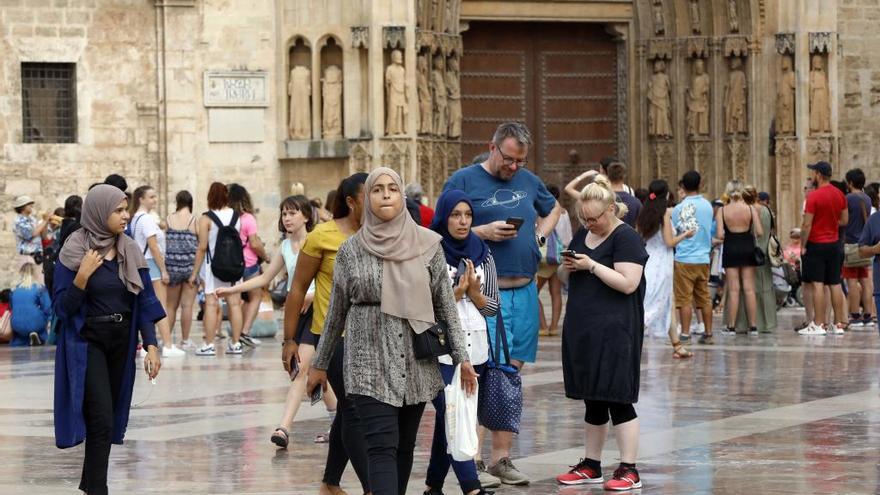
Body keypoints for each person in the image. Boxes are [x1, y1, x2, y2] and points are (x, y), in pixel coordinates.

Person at [308, 168, 478, 495]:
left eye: (392, 189)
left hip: (415, 360)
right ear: (366, 200)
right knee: (380, 445)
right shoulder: (351, 250)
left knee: (403, 446)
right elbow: (336, 312)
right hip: (367, 359)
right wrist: (319, 363)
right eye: (377, 190)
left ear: (402, 197)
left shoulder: (427, 246)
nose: (386, 195)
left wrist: (463, 359)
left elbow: (445, 306)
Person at [442, 122, 563, 486]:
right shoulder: (463, 181)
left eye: (520, 162)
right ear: (491, 148)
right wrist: (482, 231)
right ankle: (472, 458)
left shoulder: (529, 181)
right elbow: (440, 228)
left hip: (524, 290)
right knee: (478, 370)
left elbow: (554, 208)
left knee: (510, 374)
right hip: (479, 294)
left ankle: (502, 459)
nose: (514, 167)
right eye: (509, 159)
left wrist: (539, 233)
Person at [53, 184, 164, 495]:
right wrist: (81, 276)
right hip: (88, 344)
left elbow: (144, 301)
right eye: (118, 210)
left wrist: (151, 345)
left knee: (108, 419)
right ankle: (98, 490)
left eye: (126, 209)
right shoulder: (75, 250)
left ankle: (90, 486)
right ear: (100, 211)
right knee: (101, 419)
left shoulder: (129, 248)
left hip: (122, 344)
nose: (124, 216)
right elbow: (62, 308)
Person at [217, 195, 338, 447]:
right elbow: (265, 279)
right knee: (315, 373)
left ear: (306, 215)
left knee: (301, 370)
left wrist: (311, 294)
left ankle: (283, 428)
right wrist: (232, 290)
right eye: (284, 213)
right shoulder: (284, 248)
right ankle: (338, 423)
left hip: (320, 311)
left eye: (293, 213)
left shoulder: (316, 241)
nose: (287, 218)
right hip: (299, 315)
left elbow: (332, 281)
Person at [555, 174, 648, 491]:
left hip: (616, 329)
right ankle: (591, 464)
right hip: (584, 327)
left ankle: (629, 469)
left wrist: (591, 265)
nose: (589, 223)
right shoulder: (584, 233)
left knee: (618, 398)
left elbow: (628, 283)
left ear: (611, 209)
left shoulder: (626, 239)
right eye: (585, 218)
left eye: (595, 218)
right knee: (593, 399)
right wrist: (567, 266)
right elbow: (569, 273)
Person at [282, 173, 370, 495]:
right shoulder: (323, 236)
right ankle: (371, 487)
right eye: (370, 194)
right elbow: (297, 290)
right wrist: (289, 340)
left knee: (349, 412)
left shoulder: (381, 234)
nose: (379, 200)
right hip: (333, 338)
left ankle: (330, 483)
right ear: (351, 201)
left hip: (373, 336)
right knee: (355, 410)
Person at [424, 189, 500, 495]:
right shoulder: (429, 251)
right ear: (444, 216)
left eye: (468, 215)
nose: (463, 221)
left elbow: (493, 306)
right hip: (441, 349)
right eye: (456, 214)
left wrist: (474, 294)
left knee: (453, 418)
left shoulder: (482, 251)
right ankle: (472, 487)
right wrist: (456, 292)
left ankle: (433, 486)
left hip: (477, 346)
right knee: (453, 415)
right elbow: (421, 304)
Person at [636, 180, 694, 358]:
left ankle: (677, 346)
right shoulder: (664, 215)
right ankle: (630, 338)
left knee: (666, 302)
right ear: (666, 195)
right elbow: (669, 242)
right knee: (654, 305)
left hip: (649, 261)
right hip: (662, 264)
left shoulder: (644, 213)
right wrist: (686, 234)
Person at [189, 182, 245, 355]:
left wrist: (194, 273)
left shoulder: (206, 218)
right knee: (235, 304)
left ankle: (209, 344)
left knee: (211, 305)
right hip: (234, 266)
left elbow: (202, 247)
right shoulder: (237, 217)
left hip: (213, 268)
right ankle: (236, 344)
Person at [130, 186, 184, 357]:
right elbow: (153, 246)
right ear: (141, 199)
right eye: (151, 197)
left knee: (146, 305)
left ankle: (149, 344)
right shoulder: (146, 219)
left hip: (142, 263)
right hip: (152, 263)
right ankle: (167, 344)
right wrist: (163, 270)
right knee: (160, 305)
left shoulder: (136, 218)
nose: (155, 200)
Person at [799, 162, 848, 335]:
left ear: (818, 174)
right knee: (834, 283)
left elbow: (807, 225)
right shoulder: (840, 194)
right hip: (835, 244)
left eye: (813, 172)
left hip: (817, 244)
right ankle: (838, 324)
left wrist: (803, 246)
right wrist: (831, 223)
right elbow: (844, 221)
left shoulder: (814, 197)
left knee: (818, 284)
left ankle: (819, 324)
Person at [672, 171, 715, 344]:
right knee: (704, 296)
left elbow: (676, 230)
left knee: (684, 298)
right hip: (703, 257)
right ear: (700, 184)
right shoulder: (708, 206)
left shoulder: (677, 208)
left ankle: (685, 333)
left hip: (684, 257)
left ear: (683, 186)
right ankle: (709, 333)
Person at [715, 180, 762, 335]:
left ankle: (731, 326)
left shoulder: (722, 211)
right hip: (747, 246)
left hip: (731, 247)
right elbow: (760, 231)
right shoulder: (750, 208)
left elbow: (720, 234)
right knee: (749, 288)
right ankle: (753, 326)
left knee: (734, 289)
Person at [228, 183, 268, 347]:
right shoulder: (248, 218)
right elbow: (254, 243)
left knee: (235, 301)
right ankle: (244, 331)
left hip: (232, 264)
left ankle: (236, 334)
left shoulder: (227, 218)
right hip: (249, 264)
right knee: (255, 297)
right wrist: (265, 257)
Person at [735, 186, 777, 333]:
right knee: (764, 288)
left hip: (749, 254)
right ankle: (766, 323)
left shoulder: (746, 211)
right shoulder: (766, 210)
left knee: (747, 289)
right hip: (764, 253)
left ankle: (745, 323)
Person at [164, 191, 199, 349]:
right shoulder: (194, 220)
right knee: (187, 306)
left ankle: (167, 340)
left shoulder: (168, 219)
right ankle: (185, 340)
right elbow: (200, 246)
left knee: (171, 306)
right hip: (190, 267)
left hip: (172, 266)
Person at [537, 184, 572, 337]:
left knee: (532, 293)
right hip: (558, 257)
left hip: (543, 259)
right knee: (556, 293)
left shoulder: (539, 213)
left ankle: (543, 326)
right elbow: (567, 237)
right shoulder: (563, 213)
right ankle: (553, 327)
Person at [843, 168, 875, 328]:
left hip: (850, 245)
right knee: (865, 281)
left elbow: (844, 220)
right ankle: (868, 315)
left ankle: (855, 315)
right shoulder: (868, 199)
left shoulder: (848, 199)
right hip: (865, 245)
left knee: (852, 282)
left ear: (850, 183)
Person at [9, 257, 51, 346]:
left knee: (21, 332)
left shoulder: (14, 290)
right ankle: (39, 336)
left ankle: (26, 338)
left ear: (21, 272)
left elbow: (12, 308)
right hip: (36, 323)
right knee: (40, 317)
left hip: (17, 325)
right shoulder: (39, 288)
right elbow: (48, 308)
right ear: (34, 271)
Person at [13, 195, 49, 271]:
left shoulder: (33, 219)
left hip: (38, 256)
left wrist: (45, 224)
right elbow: (31, 234)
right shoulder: (19, 221)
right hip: (27, 257)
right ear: (22, 206)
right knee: (28, 282)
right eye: (29, 204)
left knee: (39, 282)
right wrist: (45, 221)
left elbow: (44, 236)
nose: (31, 205)